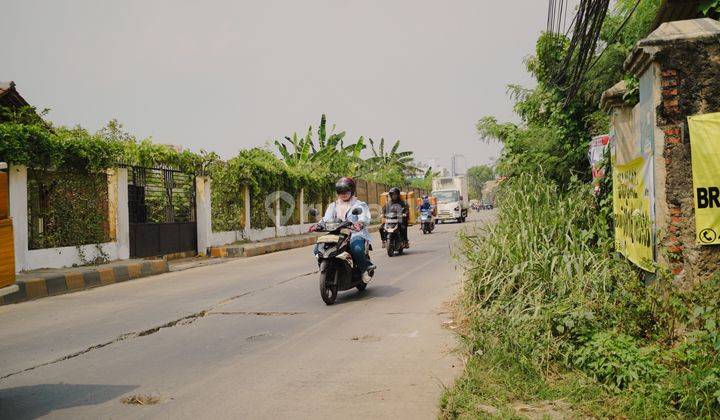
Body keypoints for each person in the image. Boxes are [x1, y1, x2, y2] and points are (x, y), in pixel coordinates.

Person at [310, 177, 375, 283]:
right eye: (340, 192)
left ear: (352, 190)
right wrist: (318, 225)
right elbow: (326, 219)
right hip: (336, 233)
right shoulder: (333, 205)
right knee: (316, 249)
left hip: (354, 232)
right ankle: (326, 269)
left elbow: (364, 216)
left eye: (346, 191)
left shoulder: (358, 204)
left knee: (357, 248)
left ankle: (365, 269)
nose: (343, 194)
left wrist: (360, 223)